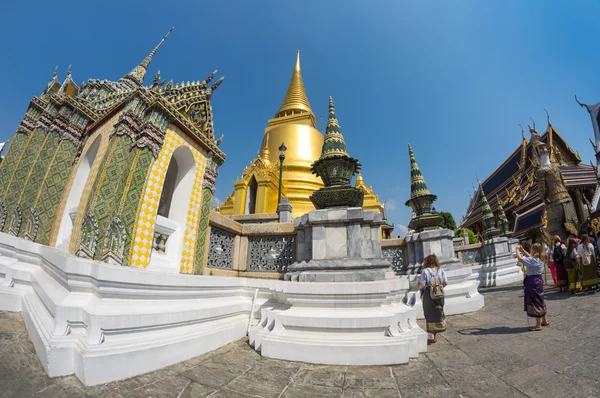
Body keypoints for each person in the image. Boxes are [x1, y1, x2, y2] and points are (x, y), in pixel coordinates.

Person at [516, 243, 548, 331]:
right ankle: (544, 320)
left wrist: (517, 250)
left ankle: (538, 325)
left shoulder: (534, 260)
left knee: (536, 301)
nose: (530, 251)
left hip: (533, 281)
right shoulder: (539, 258)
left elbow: (520, 259)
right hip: (538, 280)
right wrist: (522, 250)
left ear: (535, 251)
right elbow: (529, 256)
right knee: (540, 299)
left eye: (532, 249)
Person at [417, 254, 448, 344]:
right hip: (439, 294)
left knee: (429, 313)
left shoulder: (425, 271)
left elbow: (422, 285)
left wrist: (418, 285)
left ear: (426, 262)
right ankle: (436, 332)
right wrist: (439, 287)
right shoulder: (440, 270)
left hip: (428, 295)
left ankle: (431, 336)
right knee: (438, 311)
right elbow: (445, 282)